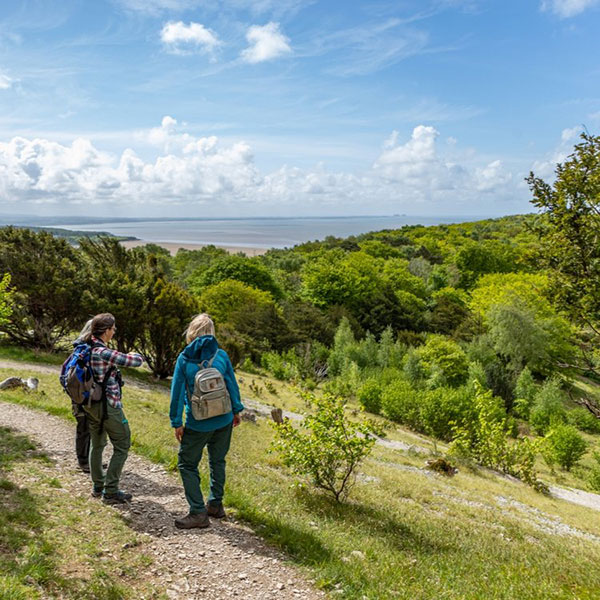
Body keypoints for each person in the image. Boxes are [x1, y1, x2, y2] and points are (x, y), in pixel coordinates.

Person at [170, 313, 244, 529]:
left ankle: (197, 513)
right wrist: (236, 411)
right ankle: (215, 504)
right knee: (217, 460)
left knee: (186, 463)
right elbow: (231, 385)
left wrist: (176, 422)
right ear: (211, 333)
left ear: (191, 333)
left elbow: (176, 394)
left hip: (198, 422)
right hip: (223, 418)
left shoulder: (184, 359)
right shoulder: (221, 355)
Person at [81, 313, 144, 504]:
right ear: (106, 331)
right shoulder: (103, 352)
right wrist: (134, 354)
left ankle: (98, 485)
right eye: (113, 329)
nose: (114, 331)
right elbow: (136, 361)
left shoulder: (86, 347)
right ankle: (111, 491)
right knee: (123, 443)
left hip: (91, 404)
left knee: (97, 443)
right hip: (108, 406)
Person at [72, 319, 93, 473]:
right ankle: (83, 460)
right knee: (84, 426)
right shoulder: (85, 348)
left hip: (81, 393)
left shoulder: (80, 347)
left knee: (87, 426)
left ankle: (89, 459)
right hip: (83, 394)